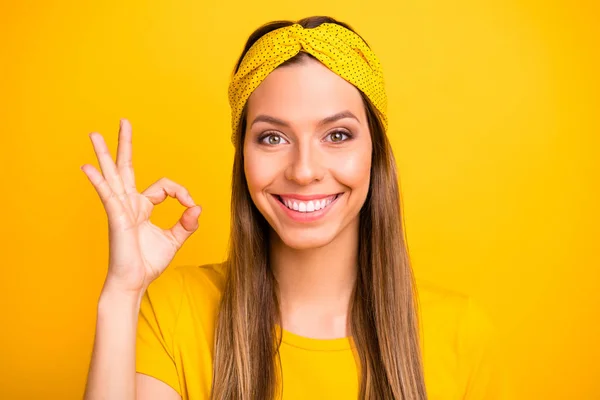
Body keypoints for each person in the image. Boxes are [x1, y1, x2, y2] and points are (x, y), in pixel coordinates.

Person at [82, 15, 502, 400]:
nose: (303, 171)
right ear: (242, 156)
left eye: (337, 135)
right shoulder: (174, 310)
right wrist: (122, 294)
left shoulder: (461, 334)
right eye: (272, 138)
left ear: (376, 152)